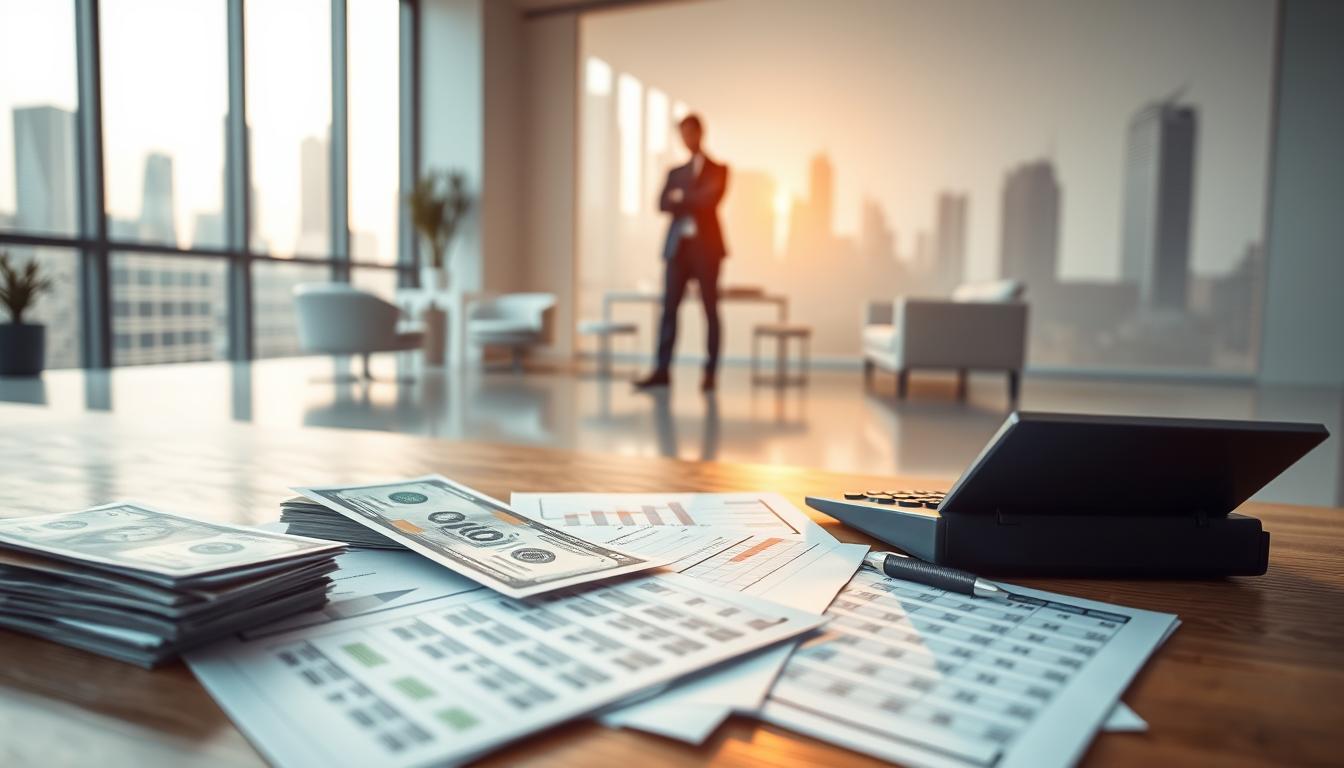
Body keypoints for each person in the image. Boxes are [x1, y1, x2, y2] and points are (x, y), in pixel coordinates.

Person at [634, 114, 730, 392]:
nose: (686, 139)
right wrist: (692, 197)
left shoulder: (719, 169)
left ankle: (710, 373)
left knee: (710, 310)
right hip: (678, 250)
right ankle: (662, 370)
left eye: (690, 133)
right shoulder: (674, 172)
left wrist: (682, 197)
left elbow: (711, 199)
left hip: (707, 251)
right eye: (682, 134)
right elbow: (662, 203)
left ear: (701, 133)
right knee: (669, 311)